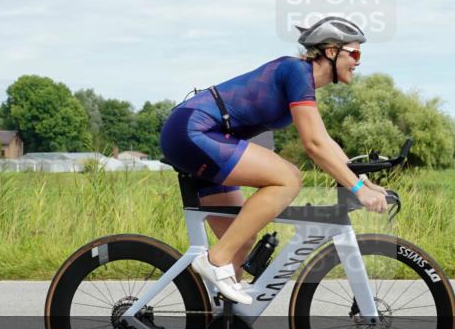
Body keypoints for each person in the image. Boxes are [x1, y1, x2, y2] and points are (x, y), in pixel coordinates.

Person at [159, 16, 389, 304]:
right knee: (288, 178)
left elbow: (325, 141)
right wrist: (357, 190)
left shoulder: (302, 84)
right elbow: (314, 145)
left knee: (241, 243)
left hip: (208, 137)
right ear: (331, 51)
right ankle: (215, 260)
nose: (358, 61)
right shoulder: (296, 71)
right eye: (354, 53)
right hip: (192, 130)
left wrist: (364, 181)